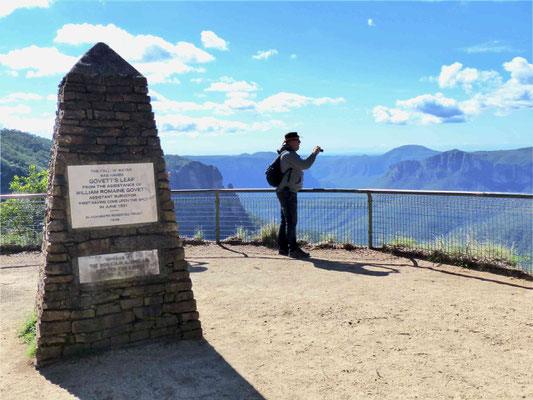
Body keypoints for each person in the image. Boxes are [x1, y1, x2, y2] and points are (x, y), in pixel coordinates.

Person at [276, 132, 322, 258]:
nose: (300, 142)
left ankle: (283, 248)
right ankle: (293, 250)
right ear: (290, 142)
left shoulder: (285, 154)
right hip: (288, 192)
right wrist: (314, 153)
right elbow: (305, 165)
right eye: (297, 140)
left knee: (285, 220)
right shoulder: (289, 155)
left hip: (284, 191)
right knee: (291, 221)